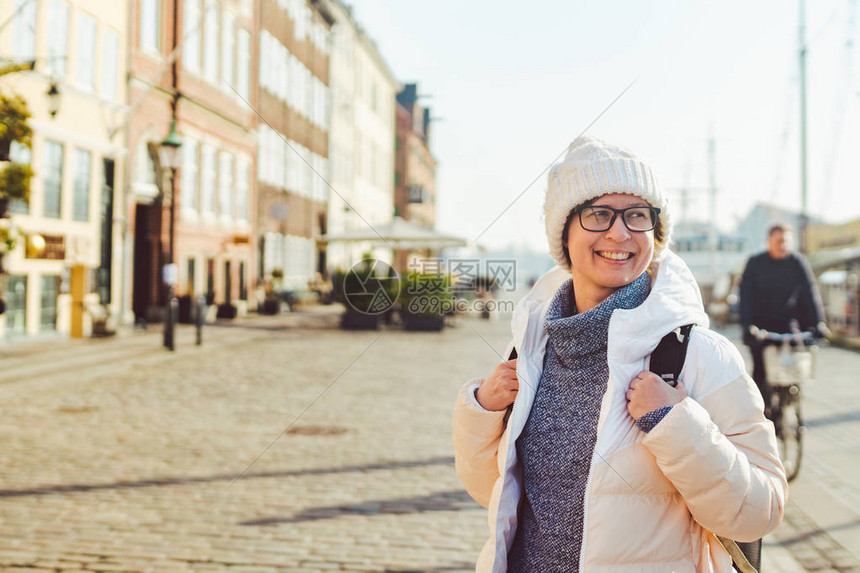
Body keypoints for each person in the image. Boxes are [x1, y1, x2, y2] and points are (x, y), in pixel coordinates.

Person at [452, 137, 786, 572]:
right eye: (598, 214)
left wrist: (674, 424)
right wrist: (480, 413)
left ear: (655, 233)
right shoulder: (530, 350)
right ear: (564, 234)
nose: (619, 232)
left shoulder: (699, 355)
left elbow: (760, 511)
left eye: (637, 215)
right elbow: (492, 495)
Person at [739, 224, 826, 417]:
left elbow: (811, 293)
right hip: (761, 327)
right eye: (779, 241)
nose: (783, 245)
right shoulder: (755, 263)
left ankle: (791, 400)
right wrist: (747, 325)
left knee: (796, 365)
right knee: (761, 374)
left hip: (789, 324)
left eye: (786, 241)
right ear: (769, 242)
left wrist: (819, 322)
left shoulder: (797, 262)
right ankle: (763, 415)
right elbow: (745, 296)